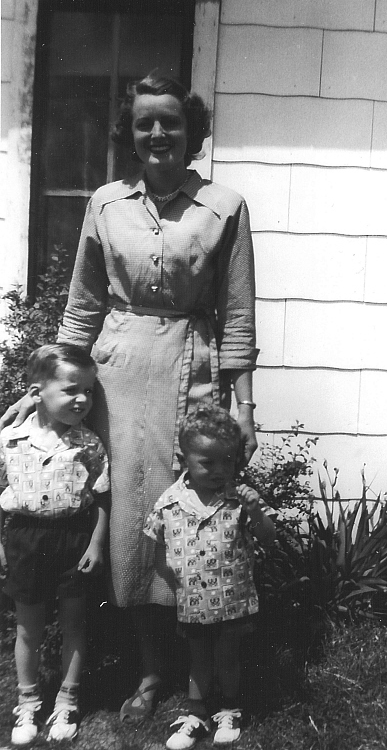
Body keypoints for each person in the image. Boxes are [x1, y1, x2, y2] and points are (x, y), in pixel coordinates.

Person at [0, 73, 259, 721]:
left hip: (191, 371)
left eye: (170, 121)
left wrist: (245, 407)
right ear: (131, 132)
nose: (157, 132)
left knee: (188, 518)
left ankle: (194, 668)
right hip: (117, 377)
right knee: (128, 527)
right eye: (145, 122)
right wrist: (45, 396)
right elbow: (81, 308)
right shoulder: (106, 203)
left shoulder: (224, 206)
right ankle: (147, 669)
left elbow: (238, 315)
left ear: (191, 131)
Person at [144, 404, 275, 749]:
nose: (220, 471)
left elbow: (268, 537)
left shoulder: (238, 500)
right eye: (208, 463)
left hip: (234, 600)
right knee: (198, 660)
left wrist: (256, 512)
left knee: (228, 658)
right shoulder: (169, 503)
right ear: (184, 457)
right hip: (192, 601)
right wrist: (176, 587)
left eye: (228, 461)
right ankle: (196, 713)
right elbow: (160, 550)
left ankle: (229, 710)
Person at [0, 344, 110, 745]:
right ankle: (27, 703)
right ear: (36, 392)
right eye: (71, 389)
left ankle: (67, 699)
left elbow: (101, 499)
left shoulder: (90, 443)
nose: (83, 399)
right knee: (28, 628)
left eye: (90, 391)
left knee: (74, 623)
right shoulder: (10, 440)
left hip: (73, 538)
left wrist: (96, 545)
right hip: (24, 538)